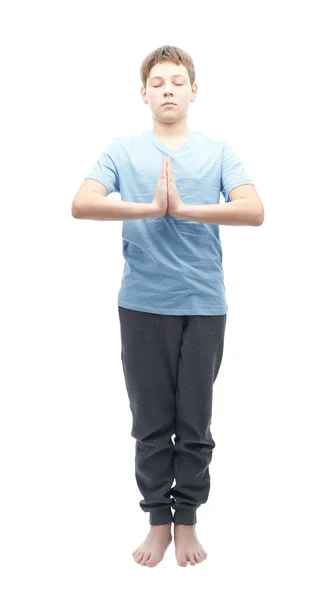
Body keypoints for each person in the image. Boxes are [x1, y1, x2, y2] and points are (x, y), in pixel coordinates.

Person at [71, 45, 264, 568]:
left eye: (178, 81)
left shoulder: (218, 151)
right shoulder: (122, 149)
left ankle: (188, 521)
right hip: (142, 305)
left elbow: (254, 209)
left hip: (203, 304)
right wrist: (151, 208)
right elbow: (81, 202)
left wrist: (185, 209)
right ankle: (158, 520)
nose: (168, 90)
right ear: (144, 94)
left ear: (194, 91)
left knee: (195, 420)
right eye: (158, 83)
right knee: (151, 420)